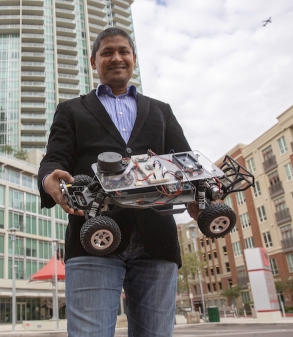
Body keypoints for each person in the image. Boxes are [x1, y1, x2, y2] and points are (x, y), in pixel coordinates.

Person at [38, 27, 198, 337]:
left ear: (134, 59)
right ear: (93, 61)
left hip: (157, 239)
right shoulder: (71, 110)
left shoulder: (161, 111)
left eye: (123, 51)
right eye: (107, 52)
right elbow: (54, 158)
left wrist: (199, 197)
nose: (116, 57)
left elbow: (185, 161)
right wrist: (48, 178)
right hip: (92, 237)